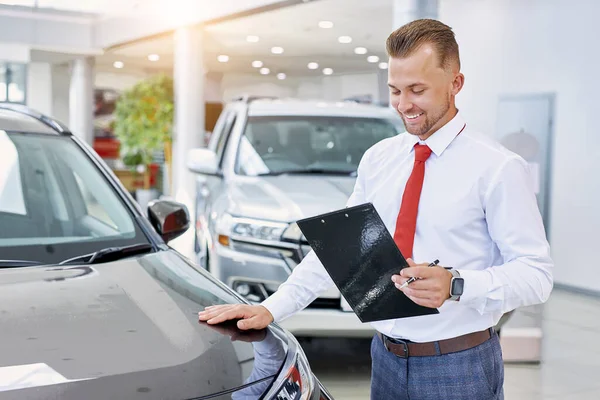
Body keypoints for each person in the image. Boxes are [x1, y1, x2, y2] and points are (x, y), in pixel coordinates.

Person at [199, 18, 553, 400]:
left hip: (459, 365)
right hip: (384, 357)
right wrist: (272, 308)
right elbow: (344, 251)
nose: (404, 105)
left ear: (456, 84)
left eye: (417, 90)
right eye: (395, 90)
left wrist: (457, 285)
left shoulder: (498, 167)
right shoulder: (379, 159)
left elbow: (536, 275)